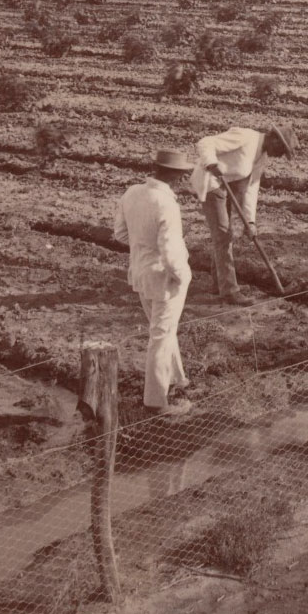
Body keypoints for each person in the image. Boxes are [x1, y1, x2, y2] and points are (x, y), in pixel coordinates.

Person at [111, 149, 196, 416]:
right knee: (160, 336)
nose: (184, 181)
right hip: (164, 278)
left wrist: (142, 248)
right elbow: (170, 251)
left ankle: (179, 379)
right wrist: (183, 276)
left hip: (140, 273)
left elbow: (120, 233)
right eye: (183, 175)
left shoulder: (133, 192)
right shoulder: (166, 204)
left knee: (163, 330)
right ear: (174, 176)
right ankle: (157, 402)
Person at [191, 123, 298, 301]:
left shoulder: (261, 158)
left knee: (223, 235)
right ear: (274, 139)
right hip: (210, 183)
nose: (280, 155)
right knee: (223, 235)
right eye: (282, 149)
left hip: (226, 188)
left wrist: (250, 222)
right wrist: (211, 162)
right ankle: (230, 292)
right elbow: (205, 142)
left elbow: (251, 189)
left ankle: (219, 284)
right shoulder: (245, 137)